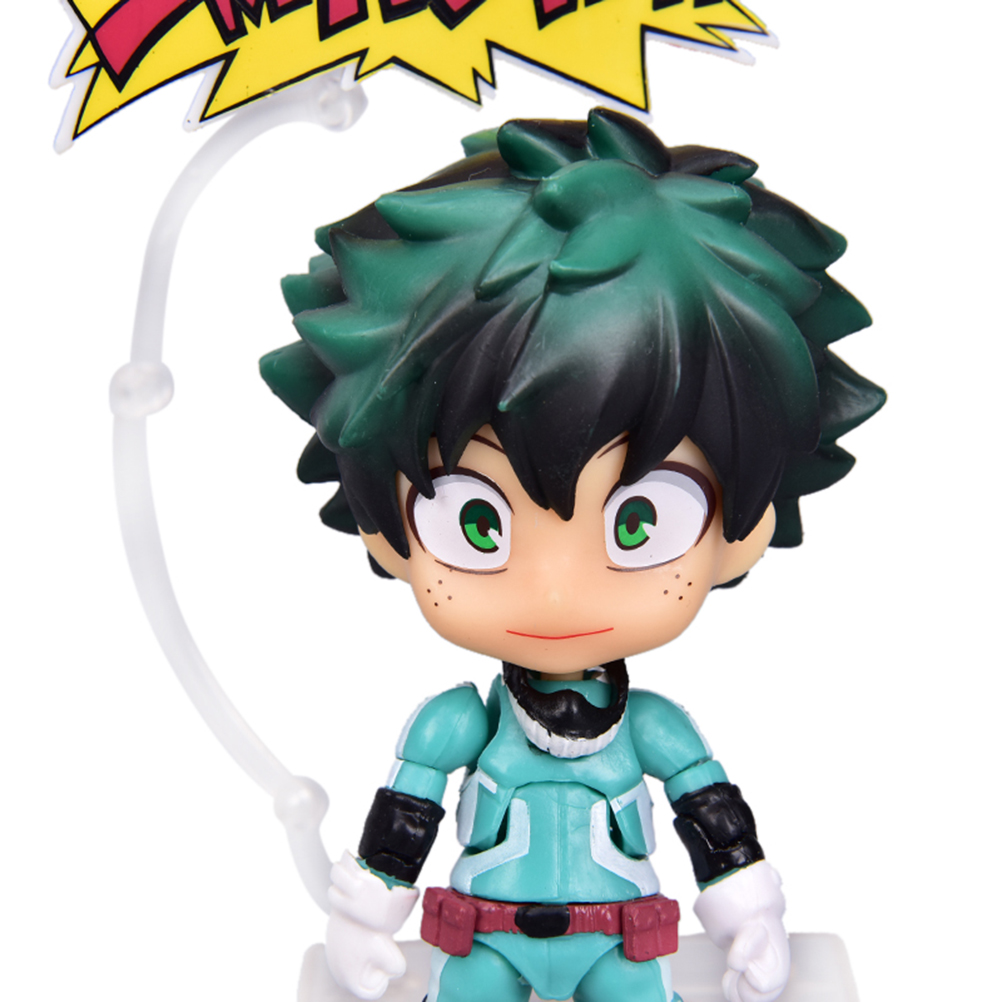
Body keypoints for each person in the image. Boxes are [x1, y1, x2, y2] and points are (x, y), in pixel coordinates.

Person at [260, 108, 885, 1002]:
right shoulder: (454, 725)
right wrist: (364, 915)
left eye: (639, 524)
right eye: (478, 523)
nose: (555, 591)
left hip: (620, 949)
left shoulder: (653, 728)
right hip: (484, 944)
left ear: (740, 532)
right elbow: (403, 824)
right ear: (385, 531)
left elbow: (716, 825)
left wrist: (750, 915)